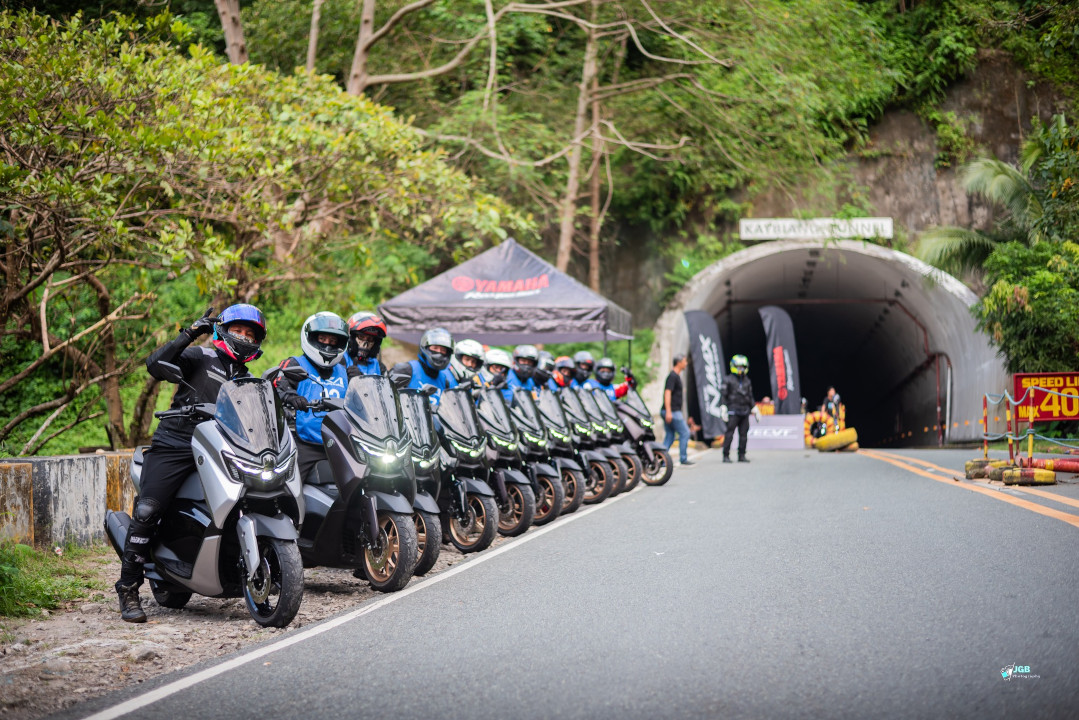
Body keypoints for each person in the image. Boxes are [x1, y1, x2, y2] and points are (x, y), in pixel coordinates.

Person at [115, 304, 267, 623]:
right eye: (238, 330)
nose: (243, 337)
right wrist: (190, 334)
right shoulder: (201, 357)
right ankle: (128, 587)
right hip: (177, 442)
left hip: (223, 448)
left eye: (250, 334)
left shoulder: (248, 380)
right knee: (148, 509)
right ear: (223, 331)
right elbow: (155, 365)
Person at [272, 312, 350, 485]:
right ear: (311, 337)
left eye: (333, 341)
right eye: (322, 339)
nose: (327, 345)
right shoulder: (296, 363)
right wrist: (292, 396)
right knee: (288, 486)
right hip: (306, 442)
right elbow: (278, 381)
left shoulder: (344, 370)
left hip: (341, 442)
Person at [388, 327, 457, 403]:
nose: (439, 353)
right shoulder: (405, 370)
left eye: (443, 350)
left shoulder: (445, 380)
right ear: (425, 348)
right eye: (435, 348)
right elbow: (389, 396)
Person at [719, 354, 758, 463]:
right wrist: (723, 407)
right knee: (729, 433)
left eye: (743, 367)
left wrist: (754, 408)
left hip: (745, 411)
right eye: (739, 367)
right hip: (733, 410)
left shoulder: (747, 381)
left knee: (744, 434)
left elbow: (750, 396)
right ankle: (726, 455)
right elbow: (723, 395)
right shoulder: (728, 379)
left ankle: (742, 455)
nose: (741, 369)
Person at [662, 354, 693, 466]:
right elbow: (667, 393)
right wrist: (668, 411)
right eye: (685, 361)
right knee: (685, 432)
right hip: (672, 411)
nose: (686, 363)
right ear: (679, 363)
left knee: (670, 435)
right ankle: (683, 458)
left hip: (672, 411)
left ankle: (661, 459)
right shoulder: (672, 376)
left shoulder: (676, 376)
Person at [344, 311, 387, 377]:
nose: (365, 343)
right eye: (361, 337)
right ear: (352, 337)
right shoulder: (341, 359)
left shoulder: (379, 366)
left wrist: (361, 377)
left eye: (370, 339)